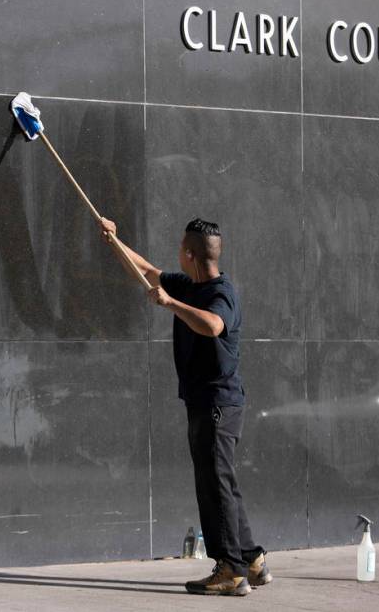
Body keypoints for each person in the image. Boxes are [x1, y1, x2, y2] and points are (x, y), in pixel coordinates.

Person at [99, 216, 271, 597]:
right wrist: (114, 239)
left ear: (190, 253)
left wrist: (171, 304)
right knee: (222, 483)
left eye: (180, 247)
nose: (176, 252)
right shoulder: (189, 283)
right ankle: (251, 559)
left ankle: (231, 570)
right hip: (207, 402)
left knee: (214, 488)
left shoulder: (220, 293)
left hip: (217, 405)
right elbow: (144, 269)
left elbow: (212, 326)